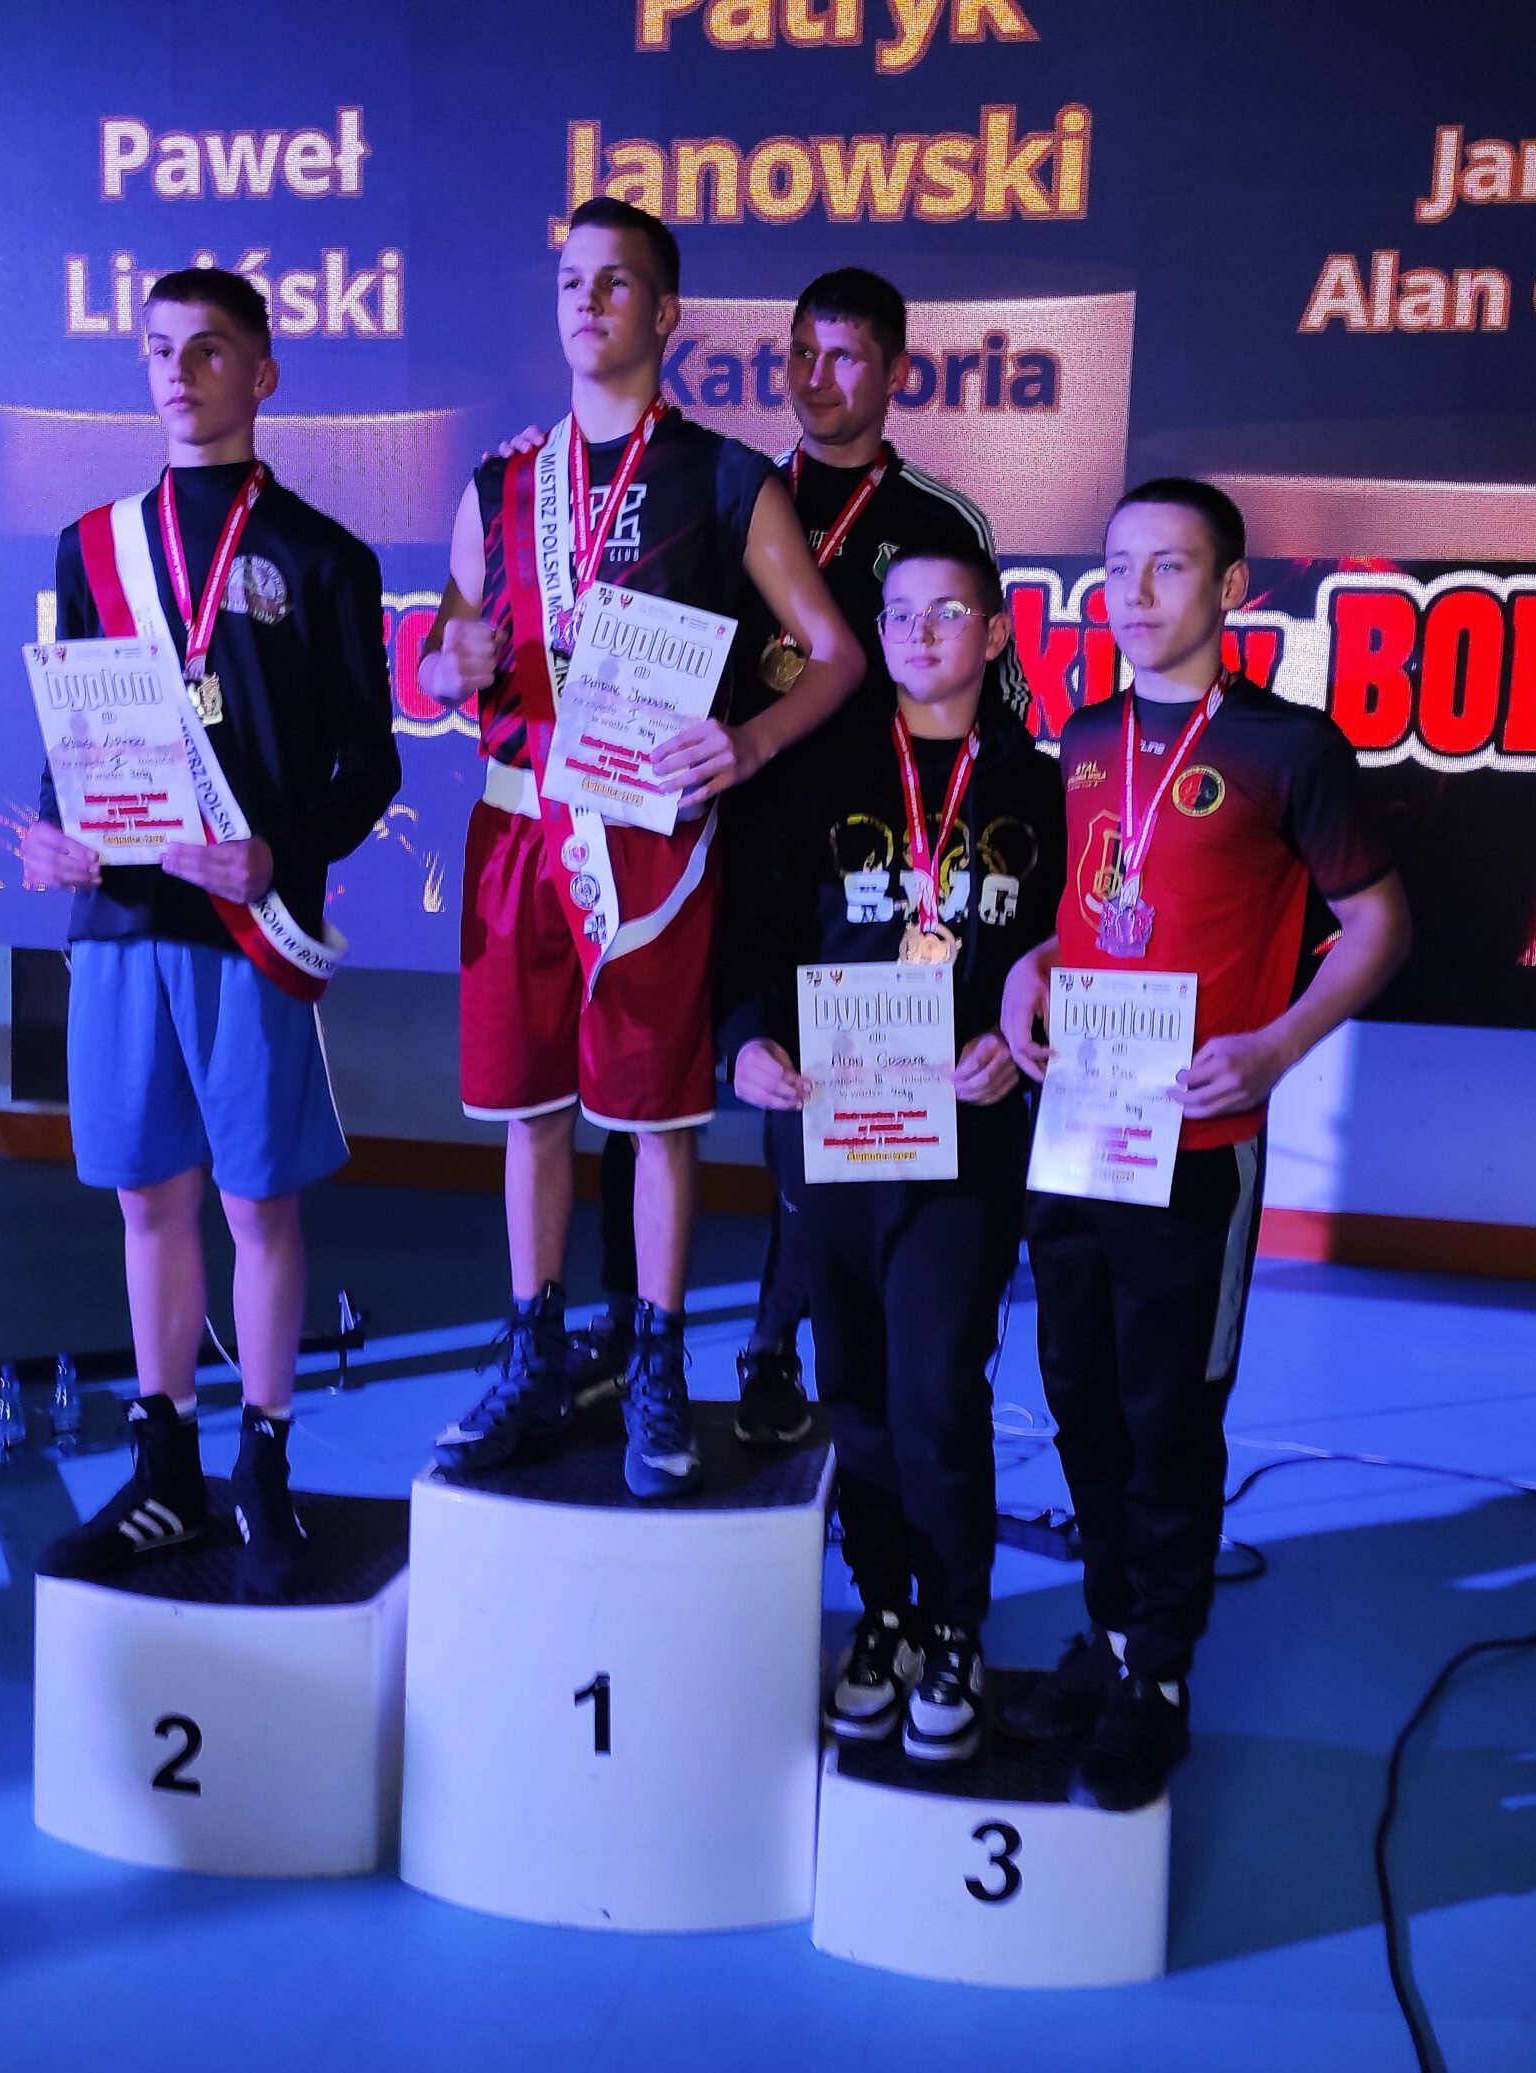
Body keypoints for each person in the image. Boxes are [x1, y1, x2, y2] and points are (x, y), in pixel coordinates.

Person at [417, 199, 862, 1499]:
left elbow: (836, 655)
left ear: (665, 313)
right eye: (571, 281)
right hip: (517, 828)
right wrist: (449, 661)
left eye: (615, 283)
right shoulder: (501, 482)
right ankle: (533, 1352)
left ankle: (658, 1362)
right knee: (530, 1114)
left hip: (648, 844)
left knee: (660, 1118)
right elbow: (437, 657)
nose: (588, 301)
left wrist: (752, 742)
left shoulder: (724, 476)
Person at [997, 478, 1410, 1806]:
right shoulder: (1083, 736)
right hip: (1080, 1132)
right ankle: (1112, 1634)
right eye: (1117, 565)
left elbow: (1379, 923)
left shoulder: (1289, 747)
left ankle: (1158, 1677)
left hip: (1199, 1140)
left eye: (1168, 566)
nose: (1133, 591)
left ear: (1230, 586)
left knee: (1170, 1417)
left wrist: (1279, 1045)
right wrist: (1033, 968)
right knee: (1078, 1396)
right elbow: (1096, 912)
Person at [581, 267, 1033, 1449]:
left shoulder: (938, 525)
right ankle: (630, 1333)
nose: (815, 378)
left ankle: (776, 1344)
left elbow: (995, 719)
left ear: (896, 373)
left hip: (863, 863)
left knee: (818, 1105)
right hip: (696, 834)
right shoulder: (729, 490)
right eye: (799, 353)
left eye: (843, 357)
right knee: (649, 1092)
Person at [15, 267, 400, 1593]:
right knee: (146, 1196)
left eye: (209, 350)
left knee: (256, 1201)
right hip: (123, 920)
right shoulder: (90, 547)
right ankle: (166, 1466)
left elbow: (371, 767)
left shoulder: (324, 558)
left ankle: (264, 1463)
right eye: (158, 350)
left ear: (263, 373)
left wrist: (278, 853)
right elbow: (77, 730)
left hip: (248, 926)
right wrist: (58, 833)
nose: (178, 374)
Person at [722, 540, 1062, 1760]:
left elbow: (1071, 953)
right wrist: (744, 1044)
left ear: (997, 632)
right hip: (831, 1129)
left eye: (948, 612)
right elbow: (752, 934)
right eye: (900, 614)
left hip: (965, 1141)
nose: (921, 633)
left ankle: (954, 1622)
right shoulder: (818, 773)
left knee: (935, 1389)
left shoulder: (1042, 788)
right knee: (853, 1392)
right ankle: (882, 1613)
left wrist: (1020, 1044)